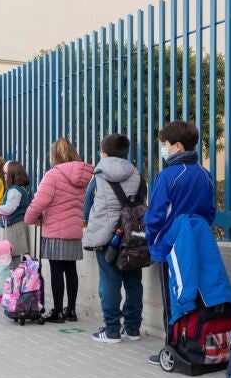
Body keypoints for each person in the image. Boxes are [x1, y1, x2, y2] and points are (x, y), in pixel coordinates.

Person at [143, 121, 215, 358]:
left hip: (169, 247)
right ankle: (194, 344)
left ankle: (172, 349)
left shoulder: (168, 176)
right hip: (198, 245)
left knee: (173, 299)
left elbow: (155, 215)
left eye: (165, 144)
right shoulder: (205, 174)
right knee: (196, 296)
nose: (163, 149)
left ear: (177, 146)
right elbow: (210, 212)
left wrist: (153, 240)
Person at [83, 134, 146, 343]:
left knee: (110, 282)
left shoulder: (99, 175)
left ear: (104, 153)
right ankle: (133, 328)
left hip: (106, 237)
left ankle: (111, 330)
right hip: (132, 237)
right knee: (134, 282)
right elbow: (141, 203)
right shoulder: (137, 175)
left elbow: (87, 206)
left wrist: (92, 225)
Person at [25, 139, 93, 323]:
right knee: (71, 270)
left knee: (56, 271)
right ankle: (71, 310)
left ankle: (57, 312)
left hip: (55, 230)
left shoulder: (53, 175)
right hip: (74, 230)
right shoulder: (83, 177)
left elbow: (39, 202)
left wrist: (29, 218)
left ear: (54, 155)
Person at [0, 160, 32, 267]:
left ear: (12, 174)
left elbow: (9, 208)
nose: (5, 176)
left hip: (15, 227)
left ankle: (15, 277)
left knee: (15, 259)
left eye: (6, 174)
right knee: (17, 258)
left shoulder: (14, 190)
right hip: (18, 226)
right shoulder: (23, 189)